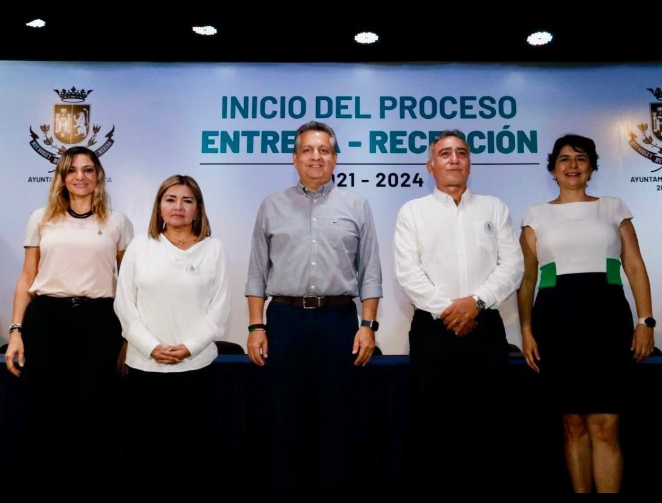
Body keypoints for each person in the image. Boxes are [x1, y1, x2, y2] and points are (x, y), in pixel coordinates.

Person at [245, 121, 382, 493]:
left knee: (338, 421)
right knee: (284, 419)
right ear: (295, 158)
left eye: (324, 150)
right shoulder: (271, 206)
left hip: (338, 322)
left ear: (335, 159)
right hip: (284, 322)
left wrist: (368, 326)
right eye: (307, 150)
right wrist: (256, 328)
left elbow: (370, 273)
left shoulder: (357, 204)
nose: (316, 157)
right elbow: (257, 273)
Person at [516, 134, 655, 493]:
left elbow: (634, 266)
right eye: (564, 159)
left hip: (607, 320)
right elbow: (527, 278)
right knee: (573, 423)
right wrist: (526, 330)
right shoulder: (535, 215)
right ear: (553, 169)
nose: (572, 165)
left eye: (580, 158)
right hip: (555, 322)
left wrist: (645, 321)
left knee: (607, 424)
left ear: (592, 167)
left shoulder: (613, 208)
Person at [393, 129, 524, 492]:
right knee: (434, 429)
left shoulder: (494, 208)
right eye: (445, 153)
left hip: (485, 330)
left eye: (461, 153)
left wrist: (475, 304)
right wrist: (451, 310)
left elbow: (512, 266)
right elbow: (408, 273)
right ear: (430, 166)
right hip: (433, 332)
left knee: (489, 426)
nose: (454, 159)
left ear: (469, 162)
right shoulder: (412, 212)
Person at [4, 146, 134, 495]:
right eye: (72, 170)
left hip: (100, 324)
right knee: (46, 413)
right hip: (47, 321)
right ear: (61, 177)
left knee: (93, 414)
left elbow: (129, 285)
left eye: (88, 170)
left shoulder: (117, 222)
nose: (80, 176)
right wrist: (16, 331)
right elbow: (27, 277)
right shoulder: (41, 218)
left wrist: (128, 339)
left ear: (98, 177)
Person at [113, 174, 231, 497]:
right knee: (145, 459)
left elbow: (219, 309)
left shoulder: (213, 249)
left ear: (198, 208)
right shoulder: (140, 246)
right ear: (159, 206)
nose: (178, 206)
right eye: (171, 199)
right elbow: (124, 305)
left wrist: (189, 348)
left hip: (195, 370)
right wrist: (151, 347)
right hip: (144, 368)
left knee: (192, 459)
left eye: (187, 200)